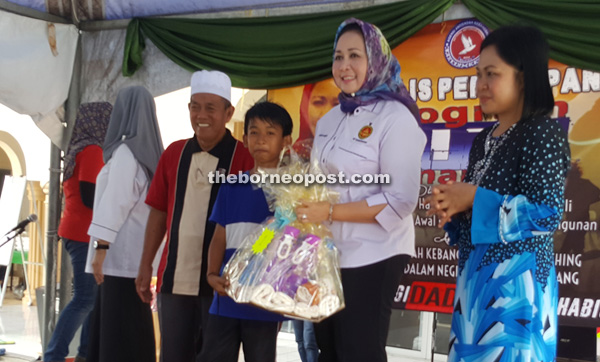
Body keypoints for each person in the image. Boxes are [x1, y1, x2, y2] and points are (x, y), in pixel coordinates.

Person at [425, 25, 570, 362]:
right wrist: (452, 208)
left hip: (517, 294)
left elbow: (547, 213)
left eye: (492, 74)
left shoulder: (543, 132)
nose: (481, 86)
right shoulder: (482, 140)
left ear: (524, 77)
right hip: (475, 290)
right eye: (478, 75)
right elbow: (475, 212)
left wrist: (474, 197)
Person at [295, 18, 426, 362]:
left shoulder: (396, 118)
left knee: (358, 351)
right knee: (329, 349)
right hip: (329, 254)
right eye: (338, 57)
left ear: (375, 59)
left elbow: (400, 199)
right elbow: (321, 181)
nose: (344, 65)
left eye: (355, 55)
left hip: (375, 253)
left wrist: (330, 212)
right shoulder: (330, 120)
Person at [135, 70, 254, 362]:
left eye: (211, 108)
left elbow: (257, 224)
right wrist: (145, 265)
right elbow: (159, 213)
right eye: (195, 107)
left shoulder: (245, 157)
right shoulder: (173, 154)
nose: (201, 115)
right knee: (173, 356)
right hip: (174, 278)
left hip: (222, 282)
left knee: (216, 356)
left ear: (228, 113)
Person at [200, 101, 292, 362]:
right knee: (213, 356)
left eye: (270, 133)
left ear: (287, 140)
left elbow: (278, 242)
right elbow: (219, 236)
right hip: (225, 295)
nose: (261, 139)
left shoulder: (291, 192)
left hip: (263, 300)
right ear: (244, 139)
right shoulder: (231, 186)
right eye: (254, 132)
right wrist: (210, 274)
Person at [85, 86, 164, 362]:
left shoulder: (126, 154)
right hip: (134, 261)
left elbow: (115, 203)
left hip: (118, 261)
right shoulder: (147, 155)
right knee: (131, 331)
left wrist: (100, 248)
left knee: (118, 336)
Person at [44, 102, 111, 362]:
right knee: (85, 298)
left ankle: (85, 354)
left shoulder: (79, 148)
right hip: (84, 234)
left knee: (92, 300)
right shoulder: (93, 150)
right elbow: (89, 195)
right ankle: (55, 355)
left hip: (79, 231)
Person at [292, 79, 339, 161]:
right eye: (318, 102)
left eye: (337, 105)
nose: (325, 115)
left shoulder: (362, 158)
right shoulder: (292, 158)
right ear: (305, 107)